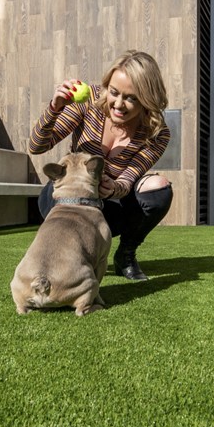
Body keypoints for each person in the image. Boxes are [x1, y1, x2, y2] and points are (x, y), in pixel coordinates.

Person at [28, 50, 173, 281]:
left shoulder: (157, 132)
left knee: (159, 186)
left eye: (132, 98)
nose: (118, 104)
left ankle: (125, 255)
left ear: (147, 100)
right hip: (65, 200)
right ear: (106, 86)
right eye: (114, 92)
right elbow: (36, 146)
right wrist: (54, 108)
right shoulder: (87, 103)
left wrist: (114, 188)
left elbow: (129, 176)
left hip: (108, 208)